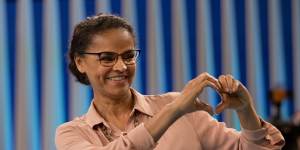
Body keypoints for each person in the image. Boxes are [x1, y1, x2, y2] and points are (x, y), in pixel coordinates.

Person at [55, 13, 284, 150]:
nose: (121, 67)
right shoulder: (71, 133)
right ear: (80, 62)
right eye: (107, 58)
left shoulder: (182, 108)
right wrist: (174, 111)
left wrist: (246, 111)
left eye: (128, 56)